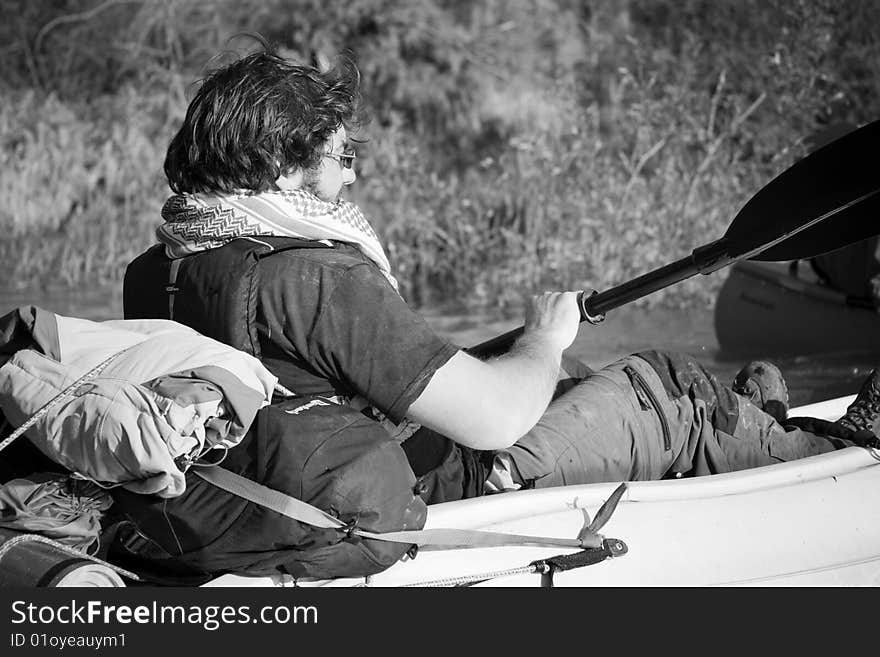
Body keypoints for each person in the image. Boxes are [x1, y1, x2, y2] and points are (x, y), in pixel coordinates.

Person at [123, 46, 880, 506]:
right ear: (285, 163)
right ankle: (835, 458)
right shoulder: (316, 276)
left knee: (576, 371)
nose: (352, 178)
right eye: (341, 154)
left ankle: (762, 429)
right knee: (663, 387)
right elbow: (490, 421)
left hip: (289, 474)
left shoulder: (158, 267)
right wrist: (543, 339)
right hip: (438, 481)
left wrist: (546, 356)